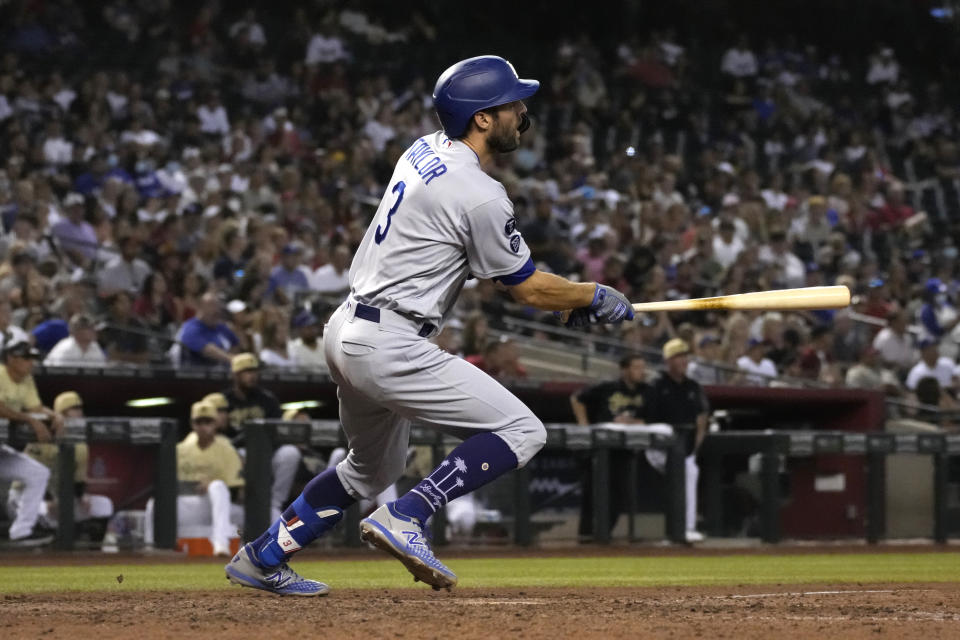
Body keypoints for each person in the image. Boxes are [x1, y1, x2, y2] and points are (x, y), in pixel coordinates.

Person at [225, 55, 633, 595]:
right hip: (390, 342)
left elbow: (463, 261)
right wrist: (591, 293)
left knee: (370, 471)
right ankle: (408, 514)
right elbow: (526, 286)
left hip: (348, 328)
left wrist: (566, 303)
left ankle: (264, 555)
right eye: (510, 103)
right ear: (482, 119)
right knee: (523, 430)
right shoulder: (481, 193)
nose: (521, 111)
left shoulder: (424, 148)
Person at [144, 401, 244, 556]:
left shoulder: (227, 449)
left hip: (219, 505)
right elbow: (166, 485)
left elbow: (237, 491)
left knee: (217, 486)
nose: (203, 426)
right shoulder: (180, 449)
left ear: (216, 423)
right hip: (190, 503)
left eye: (208, 421)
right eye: (199, 421)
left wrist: (210, 484)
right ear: (192, 424)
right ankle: (152, 546)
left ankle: (220, 543)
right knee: (154, 504)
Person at [13, 391, 114, 542]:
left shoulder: (81, 444)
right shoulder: (43, 436)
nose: (79, 413)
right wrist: (47, 500)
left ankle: (90, 552)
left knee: (103, 505)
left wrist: (82, 496)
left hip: (59, 500)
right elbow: (27, 476)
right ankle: (39, 553)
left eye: (80, 408)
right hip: (24, 498)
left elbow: (79, 481)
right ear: (61, 413)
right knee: (43, 511)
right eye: (74, 409)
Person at [569, 354, 649, 541]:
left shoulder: (646, 391)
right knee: (591, 491)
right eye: (637, 367)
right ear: (625, 369)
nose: (641, 372)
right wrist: (584, 425)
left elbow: (652, 417)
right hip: (600, 447)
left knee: (619, 494)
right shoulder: (608, 387)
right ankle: (586, 534)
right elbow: (577, 398)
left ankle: (604, 534)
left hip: (624, 450)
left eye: (642, 367)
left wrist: (633, 422)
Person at [644, 339, 709, 543]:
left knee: (690, 469)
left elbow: (701, 419)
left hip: (685, 449)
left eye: (685, 357)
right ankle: (681, 529)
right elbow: (645, 418)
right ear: (668, 360)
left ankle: (686, 529)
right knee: (684, 470)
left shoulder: (693, 386)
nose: (683, 361)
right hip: (657, 449)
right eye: (678, 357)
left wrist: (693, 450)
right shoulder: (656, 384)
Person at [222, 353, 300, 522]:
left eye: (255, 371)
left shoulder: (267, 399)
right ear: (235, 375)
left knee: (290, 452)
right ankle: (240, 501)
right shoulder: (224, 401)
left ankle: (274, 502)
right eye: (247, 371)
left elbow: (279, 431)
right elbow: (220, 436)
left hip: (266, 453)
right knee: (238, 453)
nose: (253, 376)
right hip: (236, 453)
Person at [0, 341, 61, 546]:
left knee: (38, 473)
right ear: (10, 359)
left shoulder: (26, 380)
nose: (30, 364)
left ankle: (22, 531)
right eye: (26, 359)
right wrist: (30, 420)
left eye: (32, 359)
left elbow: (36, 407)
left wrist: (56, 415)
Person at [178, 292, 239, 367]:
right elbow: (207, 350)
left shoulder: (220, 326)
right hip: (197, 374)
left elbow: (235, 343)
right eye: (211, 305)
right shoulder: (190, 327)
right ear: (201, 307)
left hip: (223, 373)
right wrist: (232, 359)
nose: (216, 310)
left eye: (217, 306)